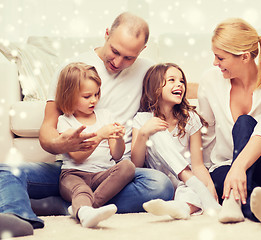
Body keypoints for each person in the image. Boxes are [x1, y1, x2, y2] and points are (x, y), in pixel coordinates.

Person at [0, 12, 174, 237]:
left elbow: (177, 94)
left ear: (142, 50)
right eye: (115, 51)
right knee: (7, 170)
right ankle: (17, 215)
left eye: (129, 58)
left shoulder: (148, 71)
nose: (118, 62)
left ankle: (68, 207)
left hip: (113, 175)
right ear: (106, 34)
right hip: (71, 169)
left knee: (160, 185)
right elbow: (48, 129)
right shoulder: (72, 70)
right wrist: (61, 143)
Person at [198, 18, 261, 224]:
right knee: (214, 180)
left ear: (245, 57)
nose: (215, 63)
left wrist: (239, 167)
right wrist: (202, 173)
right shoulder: (210, 81)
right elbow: (207, 133)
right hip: (226, 166)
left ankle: (233, 200)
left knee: (244, 123)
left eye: (220, 58)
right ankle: (254, 207)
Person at [131, 63, 220, 220]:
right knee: (156, 130)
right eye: (171, 80)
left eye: (181, 81)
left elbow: (198, 164)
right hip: (159, 184)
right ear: (155, 87)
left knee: (190, 192)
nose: (179, 84)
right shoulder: (142, 119)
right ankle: (195, 188)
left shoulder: (191, 118)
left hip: (185, 182)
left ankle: (181, 207)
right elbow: (136, 165)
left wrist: (209, 187)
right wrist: (144, 133)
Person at [55, 62, 136, 228]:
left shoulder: (105, 115)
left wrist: (119, 138)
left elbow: (116, 155)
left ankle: (85, 209)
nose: (94, 100)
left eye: (97, 94)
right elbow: (77, 157)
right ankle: (85, 211)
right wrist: (100, 135)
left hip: (102, 175)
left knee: (127, 166)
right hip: (74, 175)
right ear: (69, 96)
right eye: (87, 96)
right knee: (81, 191)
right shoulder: (65, 121)